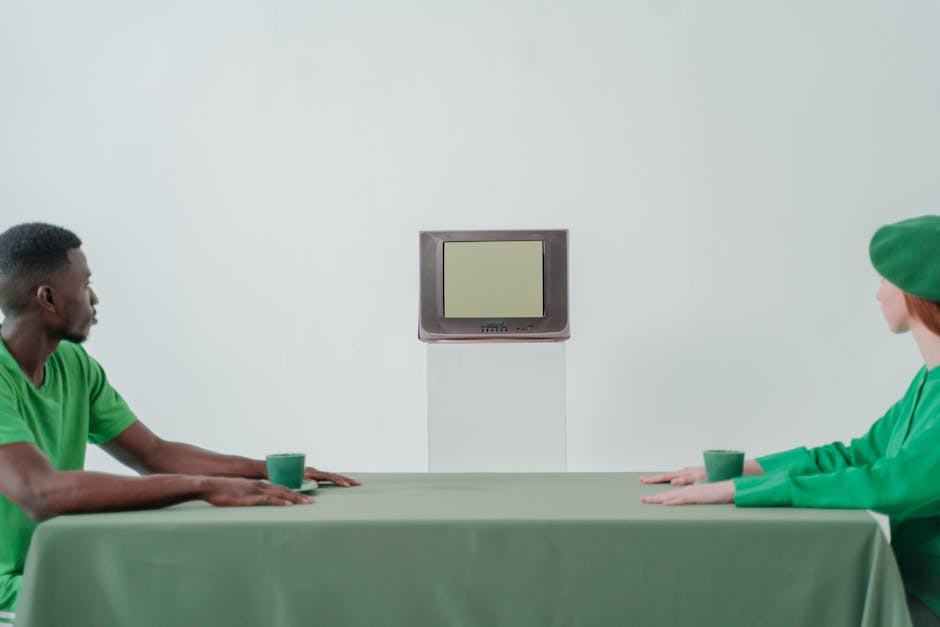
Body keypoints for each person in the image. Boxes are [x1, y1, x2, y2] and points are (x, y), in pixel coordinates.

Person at [0, 222, 360, 620]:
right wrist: (202, 487)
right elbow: (40, 492)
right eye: (85, 285)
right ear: (48, 298)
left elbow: (154, 453)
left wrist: (261, 472)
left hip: (56, 571)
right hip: (12, 595)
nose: (95, 297)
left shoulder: (75, 365)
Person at [640, 215, 940, 626]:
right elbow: (857, 455)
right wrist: (748, 470)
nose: (878, 294)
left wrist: (746, 491)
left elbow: (891, 482)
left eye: (885, 280)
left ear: (914, 289)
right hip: (911, 587)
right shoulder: (927, 382)